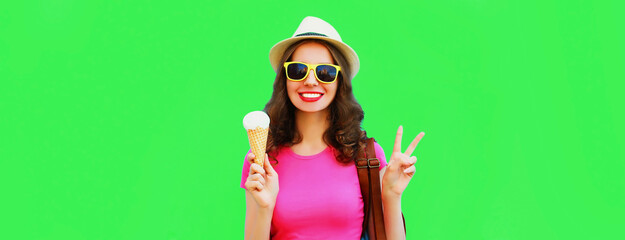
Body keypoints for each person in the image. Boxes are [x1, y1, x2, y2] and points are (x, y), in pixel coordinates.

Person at [240, 16, 425, 240]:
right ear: (284, 79)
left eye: (325, 72)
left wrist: (392, 195)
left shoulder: (367, 154)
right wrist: (265, 208)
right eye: (298, 70)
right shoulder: (262, 160)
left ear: (339, 81)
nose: (310, 81)